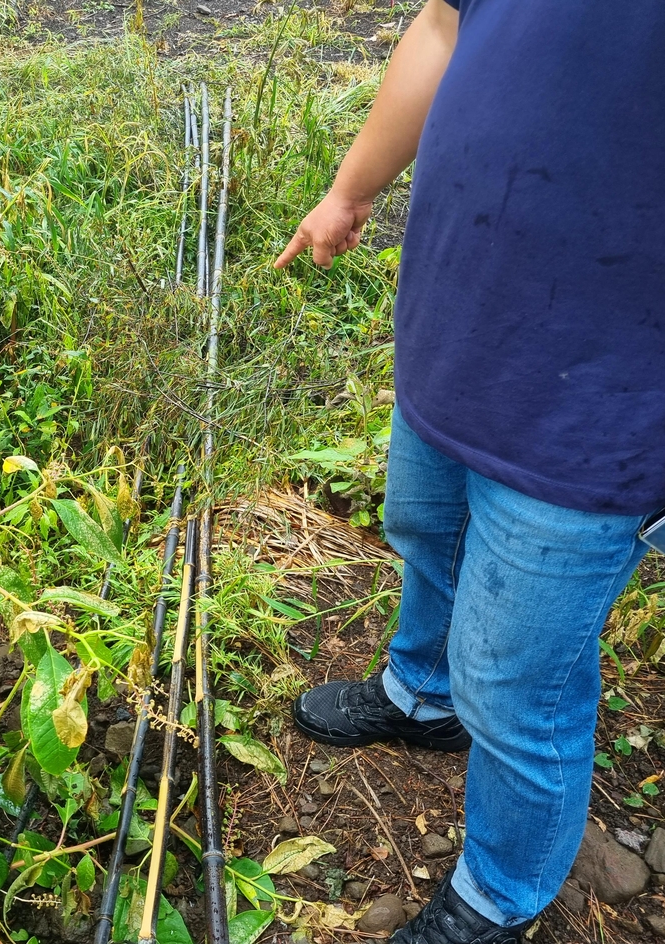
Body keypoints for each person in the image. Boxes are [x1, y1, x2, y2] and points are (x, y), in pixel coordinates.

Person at [272, 1, 665, 942]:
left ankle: (502, 890)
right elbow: (446, 26)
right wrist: (350, 188)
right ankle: (423, 696)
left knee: (520, 684)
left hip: (608, 401)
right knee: (426, 534)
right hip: (459, 336)